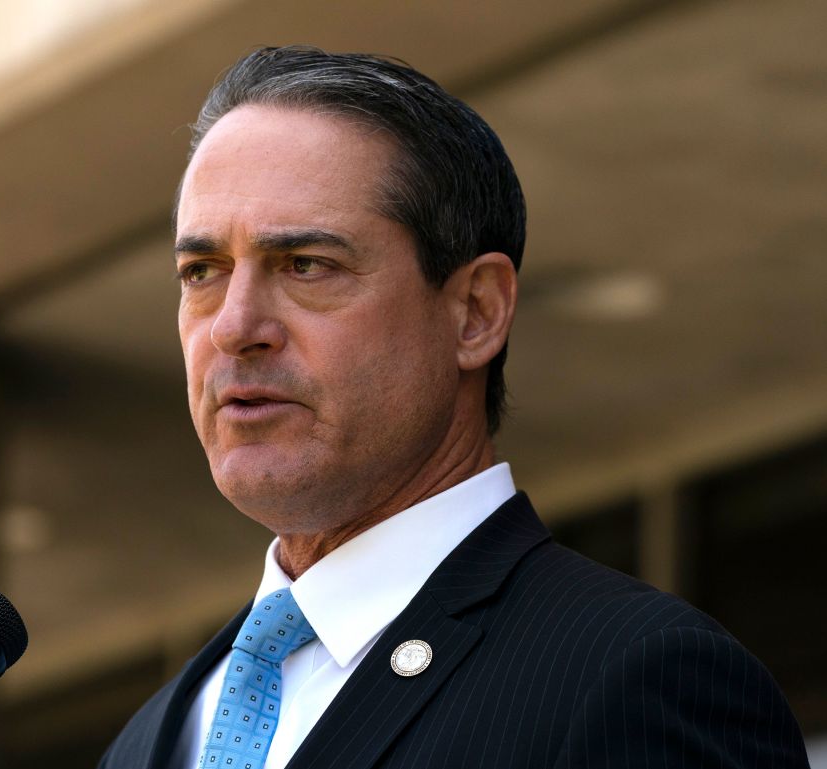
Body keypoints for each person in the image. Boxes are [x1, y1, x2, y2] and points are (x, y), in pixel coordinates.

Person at [100, 47, 809, 769]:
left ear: (475, 311)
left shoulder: (636, 676)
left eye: (306, 264)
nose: (233, 325)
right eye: (202, 272)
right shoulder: (151, 739)